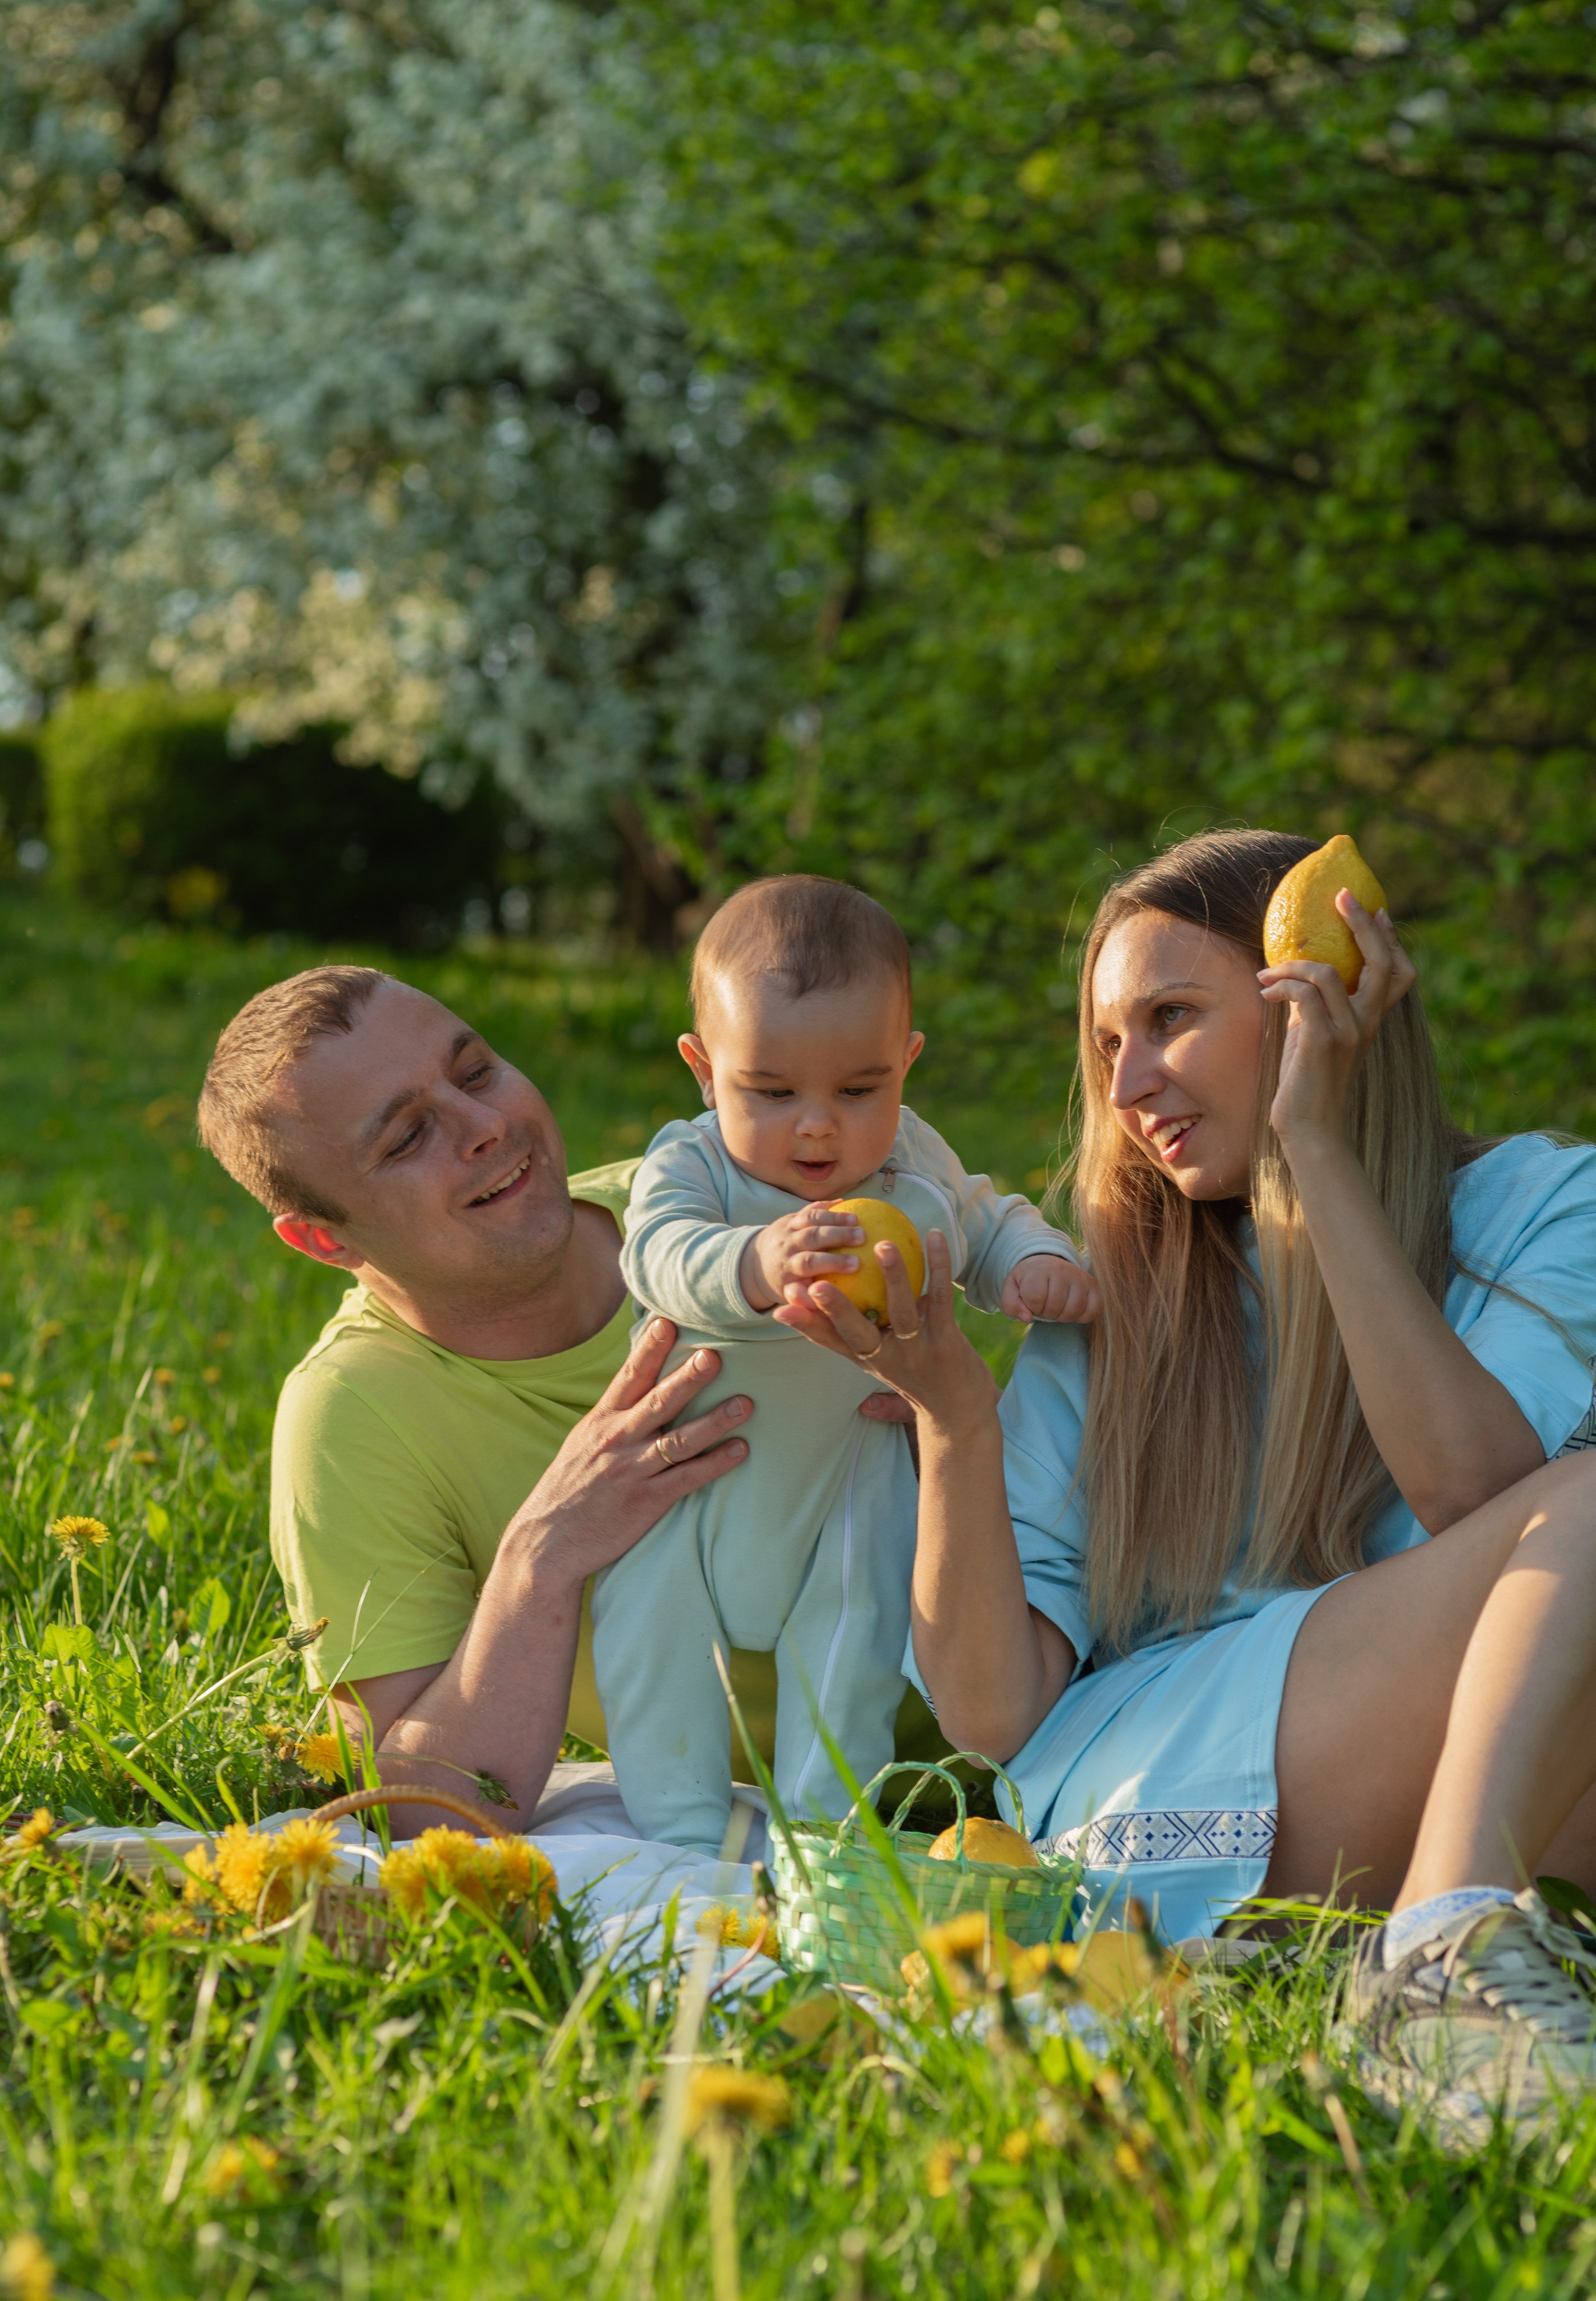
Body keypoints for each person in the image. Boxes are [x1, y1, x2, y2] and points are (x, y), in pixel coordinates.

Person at [778, 829, 1596, 2149]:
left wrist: (1311, 1157)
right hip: (1155, 1791)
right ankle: (1436, 1960)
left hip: (1438, 1766)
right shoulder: (1115, 1296)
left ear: (1316, 997)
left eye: (1169, 1018)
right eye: (1106, 1043)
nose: (1131, 1080)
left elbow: (1480, 1502)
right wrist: (951, 1415)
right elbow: (992, 1713)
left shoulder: (1540, 1203)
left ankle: (1449, 1969)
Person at [197, 964, 772, 1838]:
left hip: (1040, 1704)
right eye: (405, 1140)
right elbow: (426, 1812)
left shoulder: (703, 1202)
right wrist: (545, 1552)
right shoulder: (356, 1415)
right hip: (797, 1813)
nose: (489, 1126)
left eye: (476, 1073)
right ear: (324, 1239)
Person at [600, 876, 1097, 1846]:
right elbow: (655, 1255)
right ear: (705, 1070)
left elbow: (982, 1221)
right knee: (649, 1642)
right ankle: (680, 1839)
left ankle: (824, 1838)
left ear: (906, 1064)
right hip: (687, 1486)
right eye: (772, 1092)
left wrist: (1037, 1266)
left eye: (859, 1090)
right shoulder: (692, 1165)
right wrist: (754, 1259)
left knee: (854, 1647)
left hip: (850, 1485)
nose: (818, 1125)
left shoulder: (913, 1162)